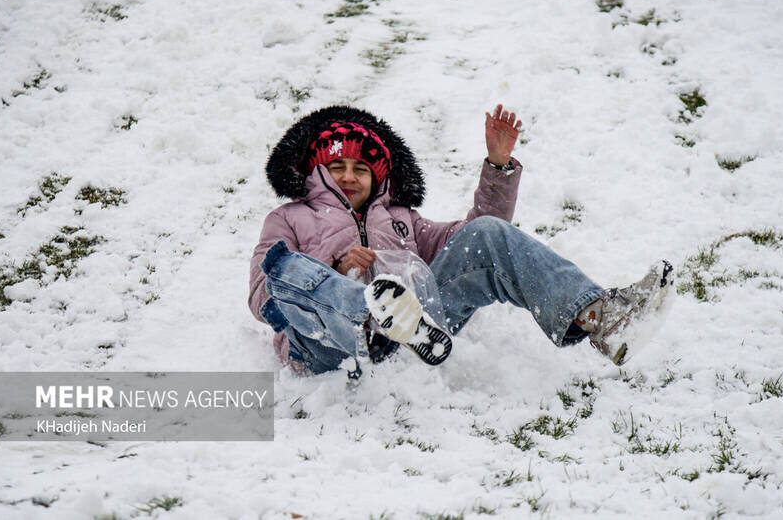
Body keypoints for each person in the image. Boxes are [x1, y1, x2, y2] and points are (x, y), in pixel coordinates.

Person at [249, 104, 673, 377]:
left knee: (487, 236)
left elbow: (479, 244)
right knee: (284, 267)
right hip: (327, 343)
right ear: (315, 173)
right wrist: (336, 271)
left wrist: (497, 166)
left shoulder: (403, 221)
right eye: (337, 166)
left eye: (361, 169)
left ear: (378, 178)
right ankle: (367, 318)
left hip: (421, 333)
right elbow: (261, 297)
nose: (348, 176)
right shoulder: (288, 219)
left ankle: (602, 319)